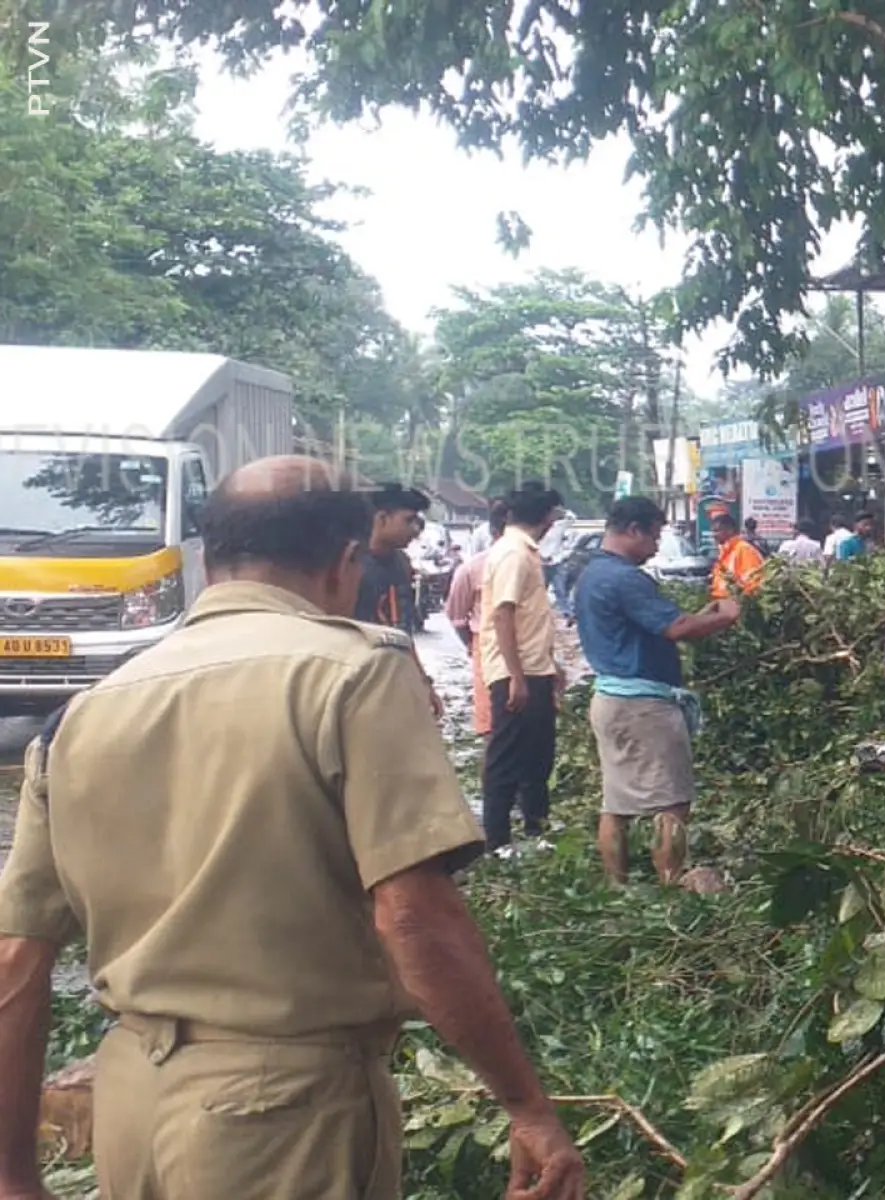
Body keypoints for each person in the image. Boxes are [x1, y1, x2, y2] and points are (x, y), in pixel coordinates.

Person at [0, 456, 584, 1200]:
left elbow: (17, 959)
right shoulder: (351, 674)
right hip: (286, 1115)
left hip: (127, 1107)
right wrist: (527, 1107)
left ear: (211, 555)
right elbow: (414, 916)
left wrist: (13, 1171)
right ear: (346, 562)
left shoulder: (85, 714)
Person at [575, 496, 741, 887]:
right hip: (643, 709)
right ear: (634, 529)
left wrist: (706, 614)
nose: (655, 547)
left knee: (616, 803)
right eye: (654, 535)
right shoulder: (624, 579)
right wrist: (727, 617)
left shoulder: (593, 574)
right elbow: (676, 629)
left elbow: (666, 622)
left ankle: (617, 887)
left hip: (611, 701)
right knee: (672, 802)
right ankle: (670, 887)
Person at [480, 482, 567, 855]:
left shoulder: (521, 551)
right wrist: (516, 676)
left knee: (538, 754)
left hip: (534, 666)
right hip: (517, 671)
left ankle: (536, 828)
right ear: (547, 517)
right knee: (508, 757)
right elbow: (503, 614)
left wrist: (553, 666)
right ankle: (497, 841)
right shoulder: (514, 553)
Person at [447, 499, 510, 739]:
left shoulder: (532, 564)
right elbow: (457, 618)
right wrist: (474, 646)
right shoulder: (472, 569)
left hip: (527, 650)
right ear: (494, 533)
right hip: (486, 647)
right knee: (492, 724)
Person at [355, 483, 430, 633]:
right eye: (408, 521)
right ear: (382, 519)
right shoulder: (351, 564)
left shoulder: (402, 563)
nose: (416, 530)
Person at [708, 509, 766, 598]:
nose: (714, 534)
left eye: (717, 530)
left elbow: (754, 583)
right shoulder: (725, 552)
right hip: (723, 603)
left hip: (736, 605)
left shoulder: (744, 550)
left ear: (730, 530)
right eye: (713, 531)